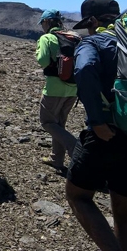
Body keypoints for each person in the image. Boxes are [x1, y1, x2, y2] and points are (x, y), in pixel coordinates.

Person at [66, 0, 127, 251]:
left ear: (93, 20)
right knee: (123, 203)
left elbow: (84, 70)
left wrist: (96, 120)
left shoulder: (93, 42)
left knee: (78, 195)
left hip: (107, 133)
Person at [35, 9, 78, 173]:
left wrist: (39, 50)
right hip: (74, 88)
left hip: (54, 88)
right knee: (59, 124)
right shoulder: (73, 37)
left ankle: (75, 148)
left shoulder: (47, 38)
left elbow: (43, 61)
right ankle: (56, 159)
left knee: (47, 122)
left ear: (46, 22)